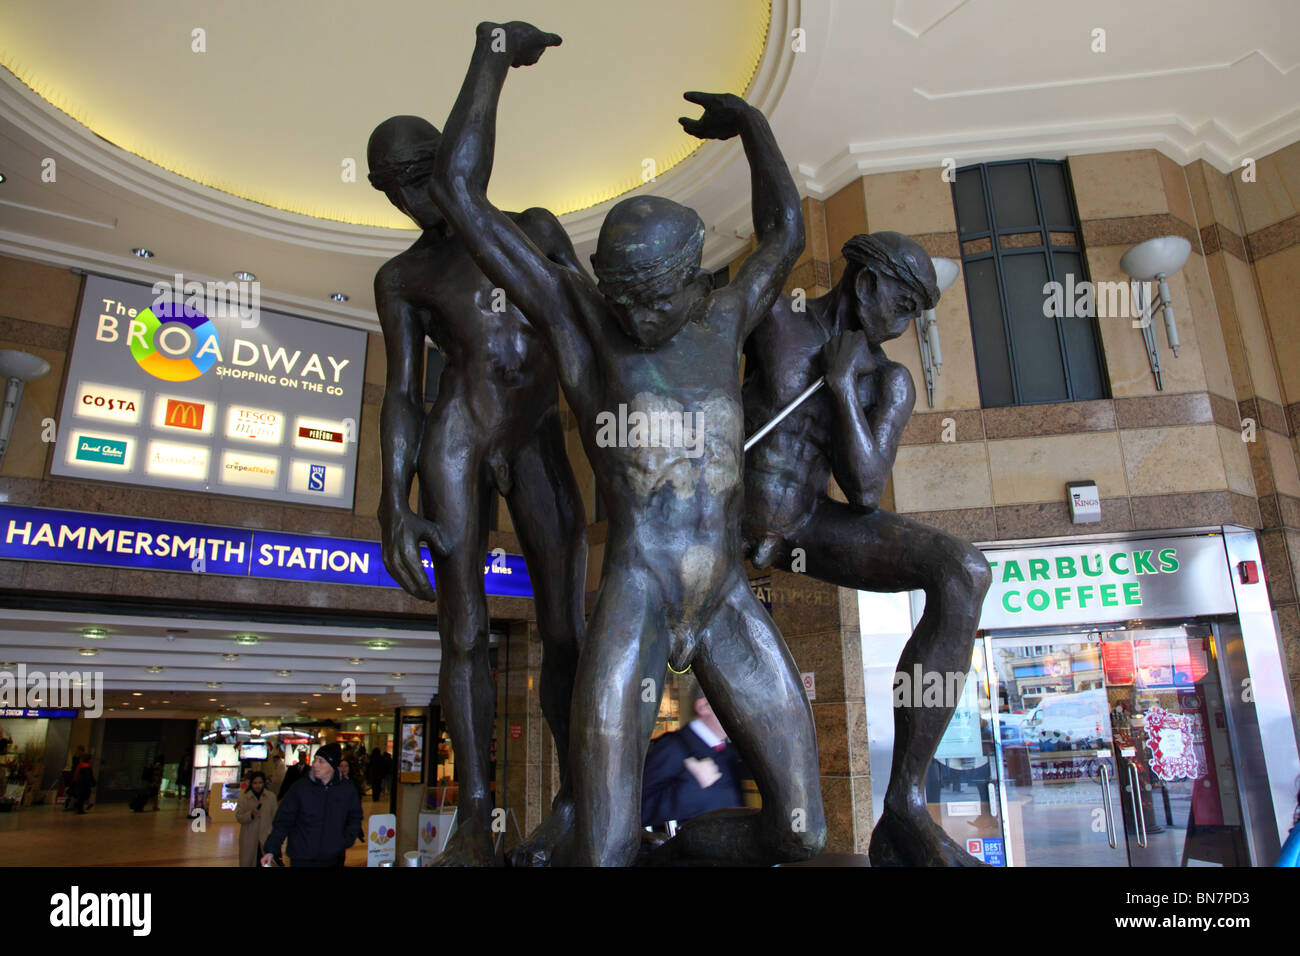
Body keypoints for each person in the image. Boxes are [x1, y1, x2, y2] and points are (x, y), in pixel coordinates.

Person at [430, 20, 825, 866]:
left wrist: (754, 127)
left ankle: (687, 844)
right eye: (622, 297)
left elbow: (785, 232)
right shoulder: (583, 323)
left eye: (652, 299)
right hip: (639, 592)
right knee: (605, 851)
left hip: (725, 597)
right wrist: (491, 58)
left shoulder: (725, 316)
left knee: (803, 834)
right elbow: (460, 194)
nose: (637, 318)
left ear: (694, 277)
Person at [370, 101, 589, 867]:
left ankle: (575, 800)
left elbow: (597, 334)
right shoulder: (404, 276)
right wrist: (391, 499)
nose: (414, 199)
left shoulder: (534, 228)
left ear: (453, 157)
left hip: (534, 435)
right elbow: (403, 391)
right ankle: (472, 813)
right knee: (461, 632)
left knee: (567, 627)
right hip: (456, 440)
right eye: (395, 190)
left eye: (423, 175)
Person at [740, 231, 993, 866]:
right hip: (724, 509)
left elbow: (865, 489)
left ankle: (904, 802)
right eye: (903, 306)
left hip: (807, 521)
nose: (905, 327)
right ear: (867, 284)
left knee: (963, 570)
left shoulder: (888, 379)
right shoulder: (774, 319)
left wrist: (842, 388)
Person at [641, 685, 745, 831]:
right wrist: (692, 788)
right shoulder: (673, 747)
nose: (741, 712)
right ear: (703, 707)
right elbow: (640, 811)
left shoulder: (729, 752)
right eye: (732, 703)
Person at [261, 743, 363, 868]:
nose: (315, 764)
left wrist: (345, 840)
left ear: (332, 765)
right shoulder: (300, 788)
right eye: (315, 760)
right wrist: (272, 849)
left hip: (332, 857)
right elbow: (283, 820)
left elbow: (355, 816)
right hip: (301, 856)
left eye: (321, 761)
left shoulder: (346, 789)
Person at [235, 772, 278, 867]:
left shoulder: (271, 797)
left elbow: (275, 817)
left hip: (266, 838)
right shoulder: (245, 798)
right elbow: (239, 817)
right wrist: (250, 814)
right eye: (255, 783)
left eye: (260, 783)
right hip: (249, 839)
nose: (258, 786)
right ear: (251, 784)